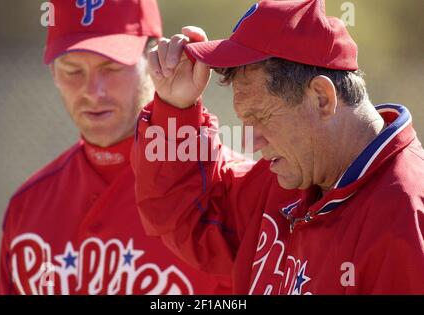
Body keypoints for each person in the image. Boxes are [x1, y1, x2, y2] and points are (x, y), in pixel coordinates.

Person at [131, 0, 424, 294]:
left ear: (322, 98)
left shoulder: (403, 217)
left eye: (261, 117)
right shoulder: (288, 178)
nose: (250, 141)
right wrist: (176, 110)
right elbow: (189, 220)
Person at [0, 0, 231, 295]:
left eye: (111, 67)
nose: (94, 91)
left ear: (154, 58)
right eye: (72, 70)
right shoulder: (27, 208)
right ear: (53, 72)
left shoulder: (227, 191)